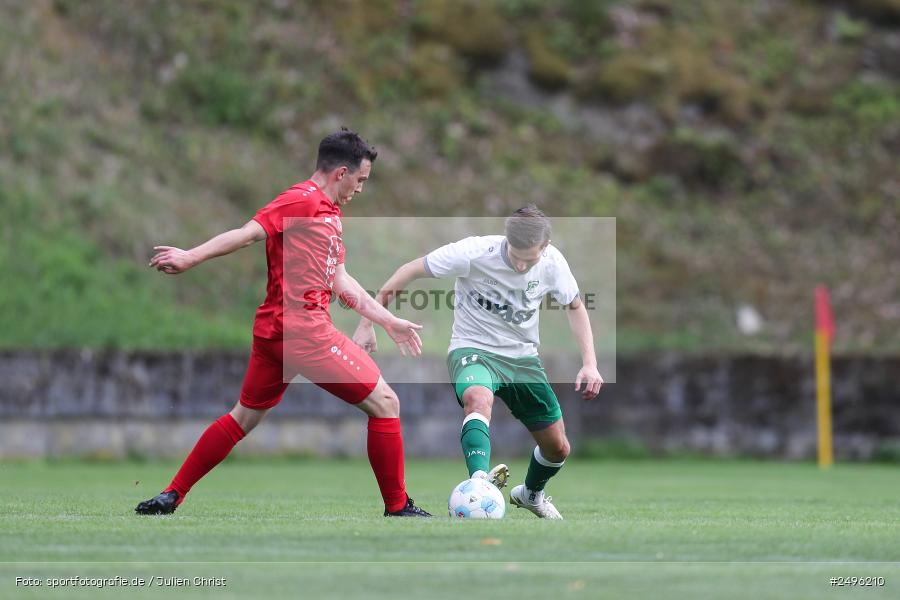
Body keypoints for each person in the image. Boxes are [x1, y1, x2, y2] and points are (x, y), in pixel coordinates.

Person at [135, 129, 431, 517]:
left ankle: (172, 494)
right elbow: (246, 235)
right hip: (304, 332)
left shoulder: (330, 214)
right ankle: (397, 506)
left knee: (243, 418)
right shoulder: (300, 201)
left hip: (276, 334)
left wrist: (386, 320)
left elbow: (340, 280)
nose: (361, 189)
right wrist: (191, 257)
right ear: (341, 173)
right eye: (360, 180)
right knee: (386, 402)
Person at [353, 206, 602, 519]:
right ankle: (479, 482)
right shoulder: (473, 252)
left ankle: (530, 494)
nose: (522, 264)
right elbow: (410, 269)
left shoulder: (554, 263)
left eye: (530, 258)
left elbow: (575, 306)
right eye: (515, 255)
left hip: (523, 359)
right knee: (477, 399)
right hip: (473, 349)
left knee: (558, 448)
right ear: (505, 241)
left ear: (545, 247)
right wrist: (369, 322)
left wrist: (590, 363)